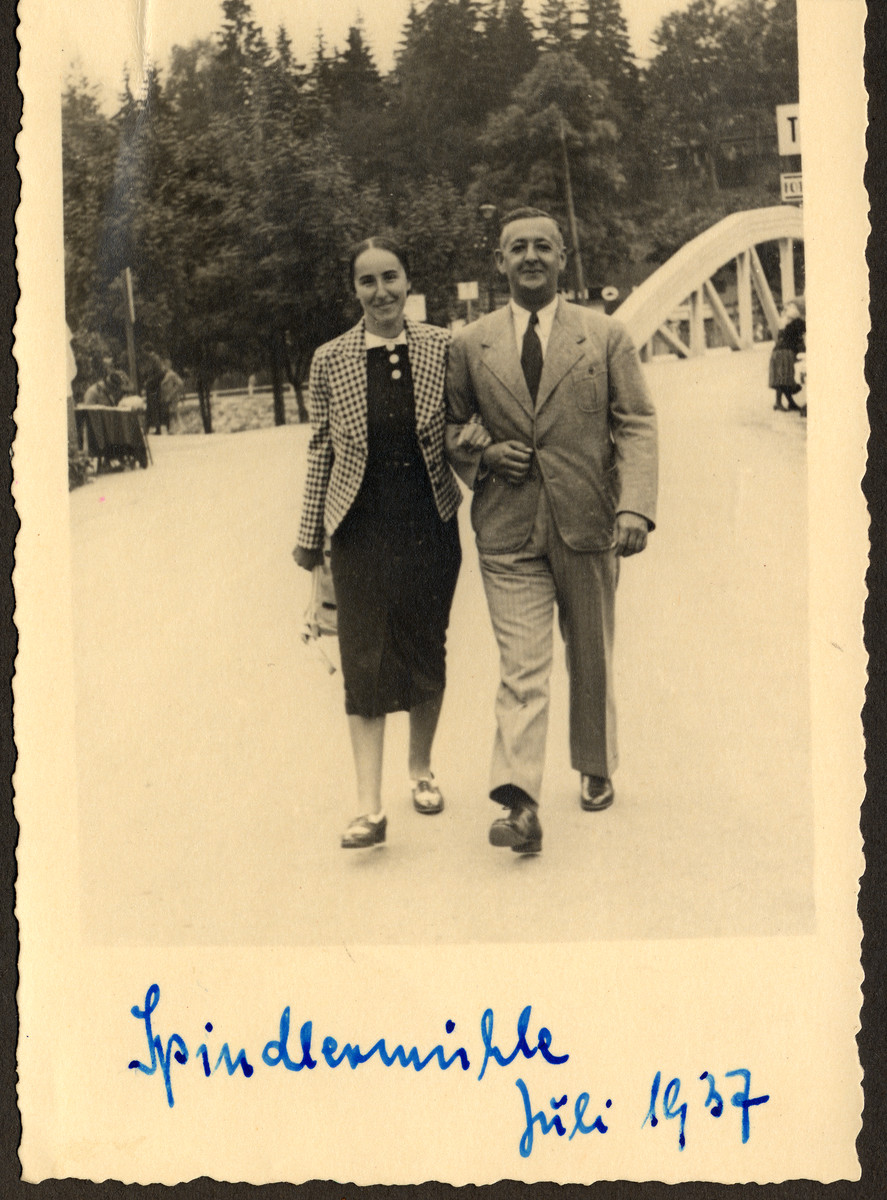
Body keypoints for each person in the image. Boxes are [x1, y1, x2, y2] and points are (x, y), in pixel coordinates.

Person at [445, 207, 658, 855]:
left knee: (589, 653)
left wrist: (634, 507)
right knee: (521, 668)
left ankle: (594, 762)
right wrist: (480, 456)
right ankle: (519, 801)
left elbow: (636, 423)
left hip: (589, 521)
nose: (530, 256)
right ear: (499, 261)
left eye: (542, 246)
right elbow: (450, 431)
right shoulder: (469, 344)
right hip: (506, 530)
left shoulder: (604, 335)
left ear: (562, 258)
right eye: (517, 248)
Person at [292, 236, 487, 849]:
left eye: (391, 277)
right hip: (358, 530)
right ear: (354, 290)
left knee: (426, 647)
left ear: (409, 280)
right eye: (368, 281)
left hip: (430, 523)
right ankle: (369, 808)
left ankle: (421, 770)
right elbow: (321, 446)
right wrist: (306, 538)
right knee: (363, 658)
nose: (381, 292)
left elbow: (463, 423)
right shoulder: (330, 359)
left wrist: (475, 440)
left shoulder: (441, 346)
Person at [769, 298, 806, 412]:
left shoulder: (783, 323)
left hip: (777, 351)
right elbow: (802, 340)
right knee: (784, 379)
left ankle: (786, 402)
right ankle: (780, 403)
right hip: (786, 352)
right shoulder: (799, 323)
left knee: (782, 378)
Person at [160, 360, 186, 433]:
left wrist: (172, 392)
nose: (162, 368)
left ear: (167, 365)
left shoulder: (171, 374)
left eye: (163, 365)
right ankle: (177, 428)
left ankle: (179, 427)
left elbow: (180, 383)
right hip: (168, 396)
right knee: (172, 412)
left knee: (173, 412)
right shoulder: (166, 374)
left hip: (172, 396)